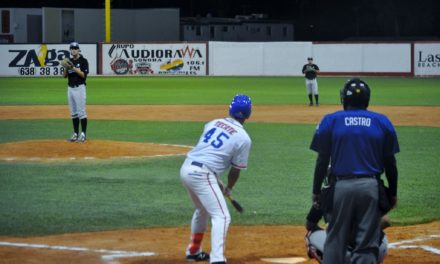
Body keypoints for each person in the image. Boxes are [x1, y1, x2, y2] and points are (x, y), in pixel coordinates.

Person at [310, 78, 399, 264]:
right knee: (366, 243)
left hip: (341, 187)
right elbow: (390, 163)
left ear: (345, 99)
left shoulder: (330, 120)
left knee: (335, 240)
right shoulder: (382, 122)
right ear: (367, 99)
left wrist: (316, 190)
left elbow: (322, 161)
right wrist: (392, 192)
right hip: (371, 187)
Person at [180, 94, 252, 264]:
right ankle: (217, 260)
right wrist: (229, 188)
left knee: (202, 210)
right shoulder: (243, 138)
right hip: (203, 174)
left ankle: (193, 251)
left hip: (187, 168)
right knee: (222, 216)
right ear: (248, 115)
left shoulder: (213, 123)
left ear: (230, 109)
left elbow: (207, 152)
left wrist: (217, 181)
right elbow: (235, 170)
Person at [304, 204, 390, 264]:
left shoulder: (325, 194)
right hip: (376, 251)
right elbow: (385, 221)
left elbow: (309, 225)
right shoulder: (367, 189)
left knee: (310, 235)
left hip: (345, 256)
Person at [63, 41, 89, 142]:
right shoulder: (69, 61)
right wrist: (66, 67)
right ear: (70, 50)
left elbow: (83, 75)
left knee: (81, 112)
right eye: (72, 48)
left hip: (80, 88)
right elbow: (64, 76)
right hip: (70, 88)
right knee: (73, 113)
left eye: (75, 48)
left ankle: (83, 134)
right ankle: (75, 133)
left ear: (78, 50)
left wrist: (73, 68)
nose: (73, 50)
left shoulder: (83, 61)